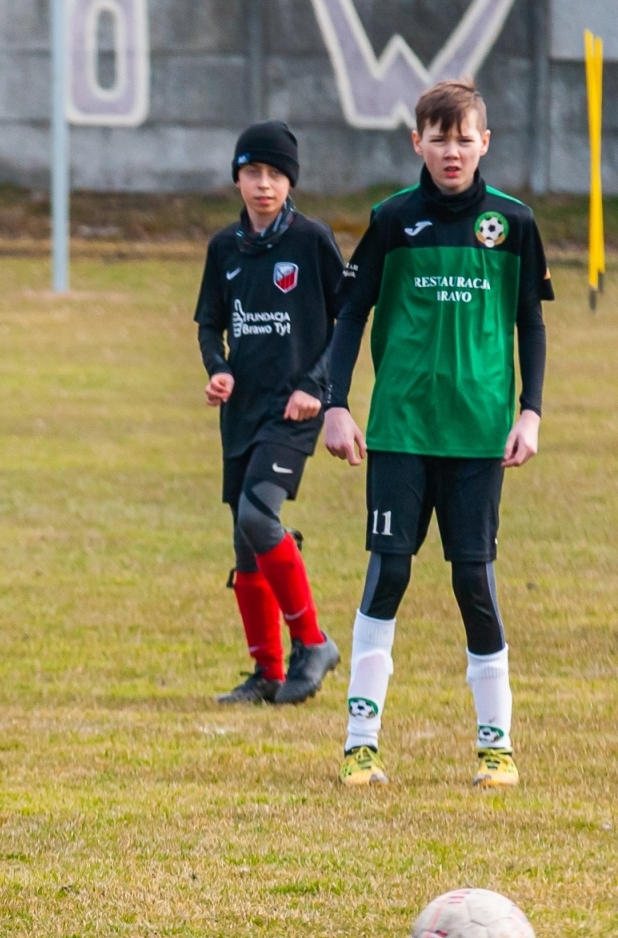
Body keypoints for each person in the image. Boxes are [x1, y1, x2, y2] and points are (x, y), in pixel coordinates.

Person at [322, 79, 552, 788]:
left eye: (464, 138)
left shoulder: (513, 224)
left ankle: (496, 746)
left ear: (485, 142)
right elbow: (351, 315)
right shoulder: (392, 220)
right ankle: (361, 744)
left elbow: (531, 325)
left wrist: (530, 411)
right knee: (388, 571)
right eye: (438, 137)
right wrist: (336, 403)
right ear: (416, 142)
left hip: (480, 434)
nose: (451, 151)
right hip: (399, 428)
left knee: (473, 583)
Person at [194, 120, 343, 704]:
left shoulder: (311, 241)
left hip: (293, 409)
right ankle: (267, 672)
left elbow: (347, 320)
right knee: (243, 539)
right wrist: (217, 367)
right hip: (243, 410)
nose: (263, 184)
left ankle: (314, 642)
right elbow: (210, 322)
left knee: (260, 519)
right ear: (237, 178)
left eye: (275, 175)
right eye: (253, 172)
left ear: (290, 182)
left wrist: (318, 385)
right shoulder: (224, 249)